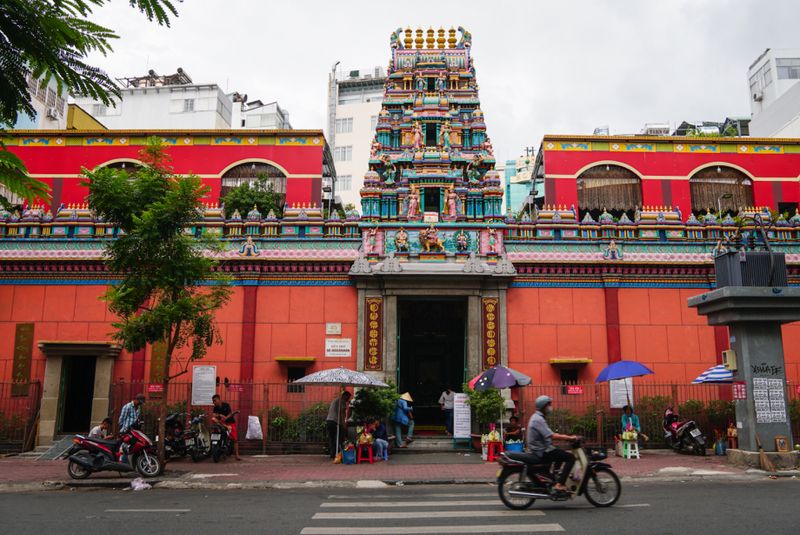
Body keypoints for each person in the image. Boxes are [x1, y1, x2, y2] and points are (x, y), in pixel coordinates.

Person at [527, 395, 578, 493]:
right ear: (543, 406)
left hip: (542, 448)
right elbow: (552, 436)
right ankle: (559, 484)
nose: (550, 407)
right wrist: (570, 438)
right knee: (570, 457)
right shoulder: (538, 419)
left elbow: (548, 434)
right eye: (549, 404)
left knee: (559, 453)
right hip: (542, 451)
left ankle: (555, 478)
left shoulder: (538, 417)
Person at [212, 394, 241, 461]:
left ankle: (237, 455)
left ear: (219, 399)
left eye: (215, 400)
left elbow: (230, 414)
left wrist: (225, 417)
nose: (214, 402)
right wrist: (220, 415)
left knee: (235, 439)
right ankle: (226, 427)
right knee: (213, 419)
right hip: (222, 423)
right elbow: (214, 415)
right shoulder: (215, 407)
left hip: (230, 422)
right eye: (213, 401)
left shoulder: (226, 405)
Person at [325, 390, 352, 459]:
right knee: (339, 438)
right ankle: (339, 453)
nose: (348, 399)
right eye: (348, 397)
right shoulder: (342, 401)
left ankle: (332, 454)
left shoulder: (335, 400)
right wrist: (344, 424)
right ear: (344, 396)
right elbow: (342, 413)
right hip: (335, 422)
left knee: (331, 438)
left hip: (329, 421)